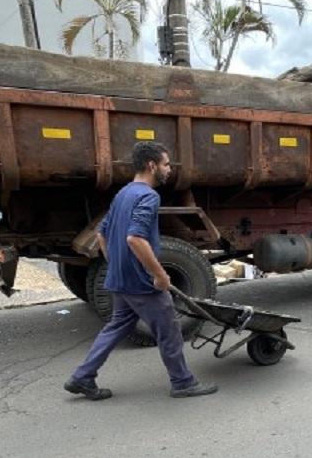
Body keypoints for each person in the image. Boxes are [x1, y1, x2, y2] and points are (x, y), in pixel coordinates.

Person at [65, 141, 217, 401]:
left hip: (120, 280)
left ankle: (82, 377)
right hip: (141, 283)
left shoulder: (124, 193)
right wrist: (159, 274)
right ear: (151, 165)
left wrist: (117, 265)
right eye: (166, 164)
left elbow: (102, 235)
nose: (168, 170)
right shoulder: (148, 195)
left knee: (116, 327)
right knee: (169, 330)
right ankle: (182, 382)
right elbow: (135, 238)